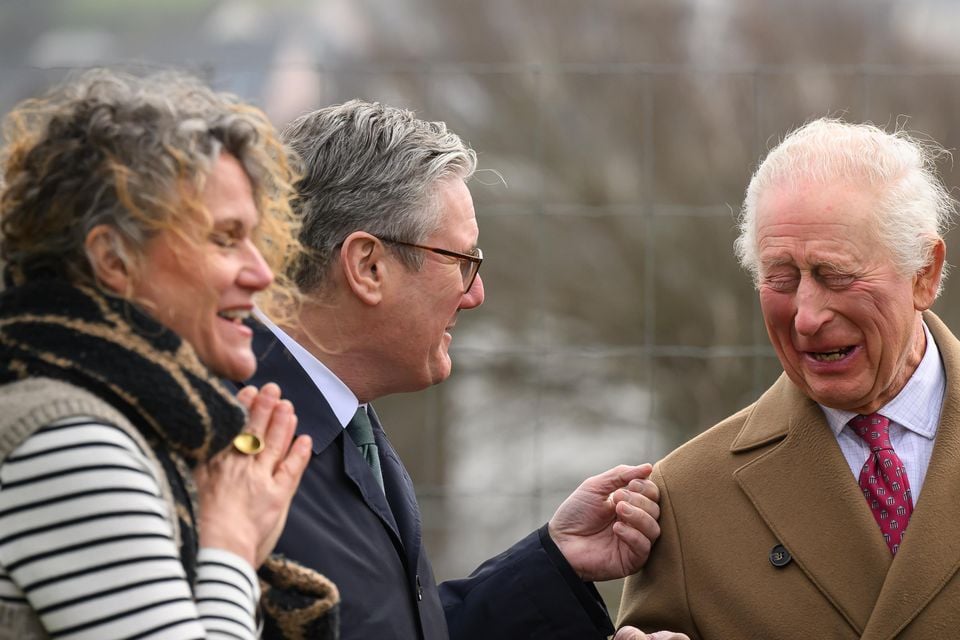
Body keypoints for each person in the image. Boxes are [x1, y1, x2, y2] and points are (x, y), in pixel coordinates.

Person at [242, 99, 663, 640]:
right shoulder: (237, 451)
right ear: (368, 266)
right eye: (462, 262)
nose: (476, 294)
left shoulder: (338, 422)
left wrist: (552, 563)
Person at [0, 69, 338, 639]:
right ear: (114, 259)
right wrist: (230, 543)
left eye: (257, 237)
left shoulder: (127, 424)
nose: (261, 272)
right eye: (225, 238)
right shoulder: (73, 441)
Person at [617, 117, 960, 638]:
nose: (805, 316)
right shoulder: (688, 500)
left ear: (925, 274)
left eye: (835, 275)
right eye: (780, 278)